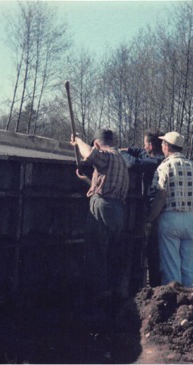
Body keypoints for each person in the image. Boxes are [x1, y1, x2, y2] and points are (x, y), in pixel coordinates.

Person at [70, 129, 130, 316]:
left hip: (103, 208)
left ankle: (97, 300)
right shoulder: (121, 160)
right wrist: (88, 180)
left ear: (97, 143)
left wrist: (78, 141)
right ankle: (114, 296)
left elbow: (89, 154)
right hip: (117, 210)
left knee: (96, 252)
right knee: (112, 253)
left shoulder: (107, 156)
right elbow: (107, 186)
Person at [146, 131, 193, 288]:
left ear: (167, 146)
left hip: (170, 219)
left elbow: (160, 197)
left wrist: (150, 219)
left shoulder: (164, 167)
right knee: (189, 267)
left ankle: (174, 303)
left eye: (163, 144)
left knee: (171, 267)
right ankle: (189, 303)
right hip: (191, 219)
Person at [120, 131, 165, 287]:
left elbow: (134, 164)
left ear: (151, 146)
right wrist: (124, 149)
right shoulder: (151, 155)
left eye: (145, 144)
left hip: (156, 210)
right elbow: (138, 151)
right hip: (150, 207)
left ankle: (155, 285)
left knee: (153, 250)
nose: (144, 147)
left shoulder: (158, 161)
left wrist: (121, 155)